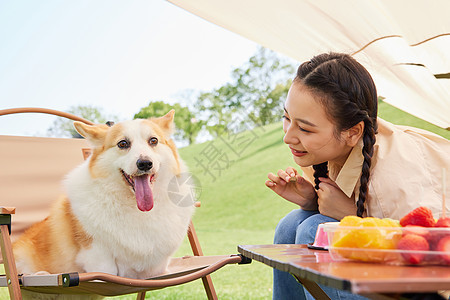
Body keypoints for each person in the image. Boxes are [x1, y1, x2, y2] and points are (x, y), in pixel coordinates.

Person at [265, 52, 450, 300]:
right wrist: (313, 201)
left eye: (305, 128)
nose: (288, 136)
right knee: (293, 224)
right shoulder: (328, 149)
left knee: (313, 229)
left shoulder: (398, 178)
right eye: (287, 118)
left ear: (352, 132)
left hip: (427, 288)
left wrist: (352, 217)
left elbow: (429, 264)